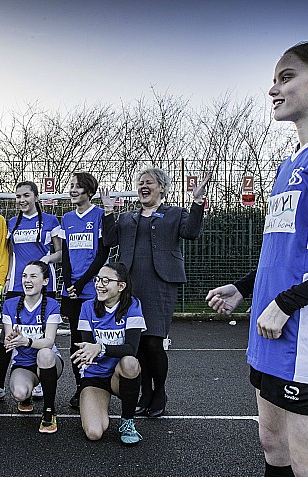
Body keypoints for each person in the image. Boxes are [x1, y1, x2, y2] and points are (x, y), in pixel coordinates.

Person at [206, 40, 308, 477]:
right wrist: (243, 287)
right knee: (272, 445)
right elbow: (287, 250)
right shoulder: (288, 163)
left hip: (307, 335)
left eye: (286, 77)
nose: (273, 89)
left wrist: (287, 302)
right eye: (273, 80)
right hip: (269, 329)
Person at [100, 169, 209, 418]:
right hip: (130, 285)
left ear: (162, 187)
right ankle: (144, 393)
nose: (143, 186)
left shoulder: (174, 213)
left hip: (160, 284)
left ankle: (159, 392)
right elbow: (108, 240)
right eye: (140, 183)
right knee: (136, 344)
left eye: (149, 182)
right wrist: (108, 212)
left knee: (153, 341)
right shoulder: (127, 217)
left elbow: (191, 232)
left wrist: (197, 202)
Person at [0, 181, 62, 402]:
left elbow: (60, 253)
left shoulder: (51, 221)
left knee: (43, 334)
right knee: (8, 336)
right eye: (18, 196)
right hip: (17, 285)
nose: (22, 200)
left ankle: (41, 378)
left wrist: (46, 259)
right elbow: (6, 254)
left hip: (43, 284)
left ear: (36, 197)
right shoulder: (11, 223)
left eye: (26, 196)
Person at [71, 262, 146, 445]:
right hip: (95, 376)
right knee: (94, 433)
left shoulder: (132, 305)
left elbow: (131, 348)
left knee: (130, 362)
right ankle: (94, 401)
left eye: (106, 280)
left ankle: (127, 421)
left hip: (119, 375)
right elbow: (87, 348)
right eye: (98, 280)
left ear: (121, 286)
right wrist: (87, 352)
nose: (99, 284)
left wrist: (101, 348)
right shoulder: (88, 307)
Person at [58, 172, 109, 408]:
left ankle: (97, 385)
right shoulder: (67, 218)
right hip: (72, 290)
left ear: (89, 191)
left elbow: (102, 254)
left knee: (92, 339)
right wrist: (68, 281)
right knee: (75, 342)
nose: (73, 190)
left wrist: (80, 284)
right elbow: (66, 253)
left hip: (91, 289)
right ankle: (80, 388)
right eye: (71, 186)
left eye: (77, 187)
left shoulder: (99, 215)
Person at [2, 261, 63, 433]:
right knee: (20, 393)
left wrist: (26, 341)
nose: (27, 280)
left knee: (45, 353)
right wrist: (12, 339)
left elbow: (49, 341)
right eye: (24, 276)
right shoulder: (10, 304)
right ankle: (26, 397)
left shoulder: (52, 305)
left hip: (48, 362)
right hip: (23, 363)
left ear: (45, 281)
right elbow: (8, 341)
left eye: (33, 276)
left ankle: (49, 411)